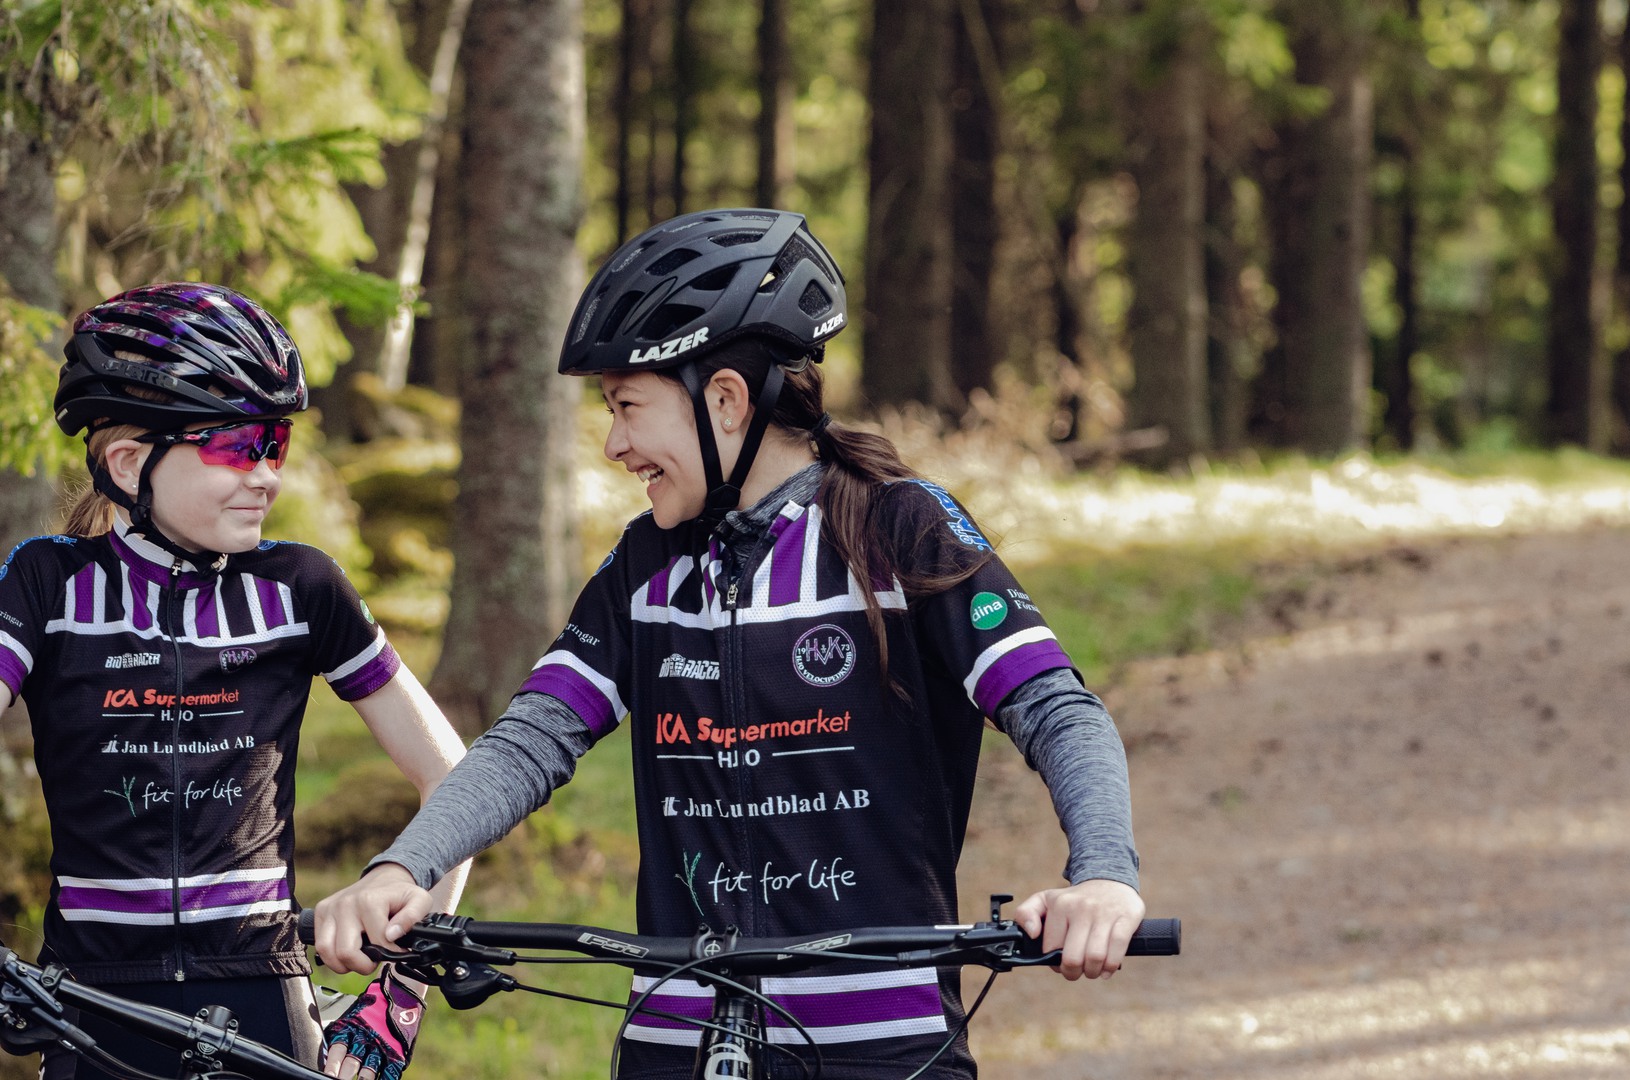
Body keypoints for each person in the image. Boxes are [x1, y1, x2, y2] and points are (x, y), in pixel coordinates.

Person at [311, 209, 1144, 1080]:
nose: (614, 443)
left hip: (882, 1045)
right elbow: (531, 738)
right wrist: (404, 865)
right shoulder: (644, 565)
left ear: (726, 399)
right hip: (678, 1043)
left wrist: (1104, 876)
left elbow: (1055, 706)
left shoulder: (903, 530)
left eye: (629, 406)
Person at [0, 283, 469, 1080]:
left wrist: (402, 994)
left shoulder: (300, 589)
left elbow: (451, 781)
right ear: (127, 462)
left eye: (274, 443)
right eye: (234, 445)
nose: (266, 475)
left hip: (261, 1000)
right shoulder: (47, 584)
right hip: (89, 1008)